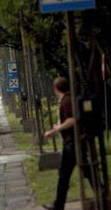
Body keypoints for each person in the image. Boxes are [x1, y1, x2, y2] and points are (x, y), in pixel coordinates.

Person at [42, 77, 77, 210]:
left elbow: (71, 120)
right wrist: (54, 131)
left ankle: (102, 194)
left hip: (73, 143)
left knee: (86, 172)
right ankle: (58, 205)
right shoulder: (67, 99)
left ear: (56, 89)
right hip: (69, 143)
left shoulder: (67, 101)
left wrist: (58, 129)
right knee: (63, 175)